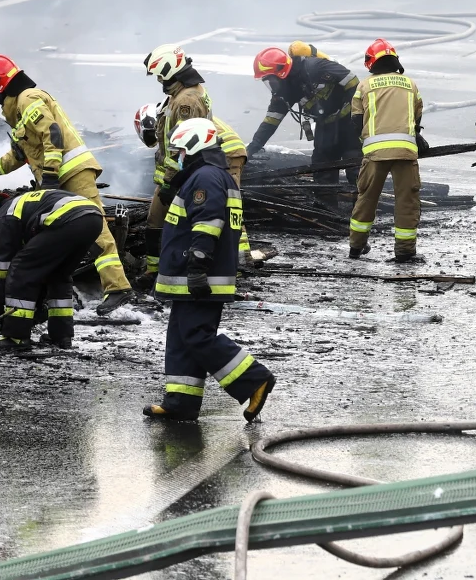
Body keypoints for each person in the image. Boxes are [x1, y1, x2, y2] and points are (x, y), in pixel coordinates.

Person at [0, 55, 133, 315]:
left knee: (94, 227)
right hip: (59, 177)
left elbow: (51, 133)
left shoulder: (27, 98)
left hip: (72, 173)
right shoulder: (20, 109)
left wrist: (52, 175)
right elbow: (17, 157)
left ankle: (118, 288)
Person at [143, 118, 276, 422]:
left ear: (193, 145)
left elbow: (208, 224)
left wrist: (197, 265)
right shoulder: (209, 175)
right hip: (190, 275)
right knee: (181, 336)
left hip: (200, 275)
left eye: (179, 150)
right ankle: (180, 402)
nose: (177, 156)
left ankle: (255, 379)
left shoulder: (205, 178)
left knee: (197, 335)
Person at [138, 43, 250, 280]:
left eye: (160, 75)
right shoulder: (182, 95)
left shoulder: (186, 101)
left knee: (220, 212)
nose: (159, 80)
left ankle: (237, 263)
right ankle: (156, 269)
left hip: (189, 169)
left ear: (170, 69)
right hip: (189, 169)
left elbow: (184, 144)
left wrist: (171, 182)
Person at [0, 186, 103, 353]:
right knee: (59, 275)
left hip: (69, 220)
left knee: (21, 270)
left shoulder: (5, 217)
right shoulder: (23, 205)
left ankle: (16, 337)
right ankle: (61, 336)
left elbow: (4, 273)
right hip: (93, 218)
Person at [348, 39, 425, 263]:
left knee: (366, 199)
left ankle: (356, 248)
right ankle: (405, 252)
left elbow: (355, 119)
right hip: (405, 152)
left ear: (372, 63)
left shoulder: (364, 86)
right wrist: (415, 134)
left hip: (374, 154)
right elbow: (417, 116)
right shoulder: (410, 84)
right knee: (406, 202)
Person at [248, 46, 360, 187]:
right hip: (325, 125)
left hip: (348, 123)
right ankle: (327, 208)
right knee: (321, 170)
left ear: (281, 72)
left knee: (355, 167)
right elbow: (271, 120)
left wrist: (356, 115)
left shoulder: (315, 67)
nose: (271, 85)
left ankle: (362, 208)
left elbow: (353, 82)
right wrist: (253, 147)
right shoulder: (284, 90)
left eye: (271, 80)